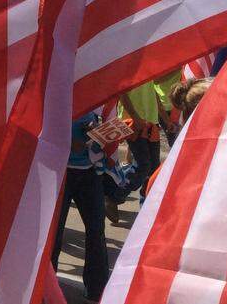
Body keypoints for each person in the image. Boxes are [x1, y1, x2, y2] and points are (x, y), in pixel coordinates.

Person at [51, 111, 109, 303]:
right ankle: (46, 291)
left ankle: (97, 290)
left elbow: (106, 123)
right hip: (61, 174)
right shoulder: (58, 95)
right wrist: (66, 143)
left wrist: (98, 133)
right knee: (54, 236)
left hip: (90, 174)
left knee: (96, 232)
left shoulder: (98, 99)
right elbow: (41, 129)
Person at [119, 70, 178, 198]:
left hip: (151, 122)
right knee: (143, 166)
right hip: (132, 122)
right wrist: (136, 118)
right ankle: (115, 194)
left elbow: (154, 94)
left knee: (153, 168)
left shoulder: (148, 65)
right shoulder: (127, 65)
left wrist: (167, 121)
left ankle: (147, 205)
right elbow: (121, 94)